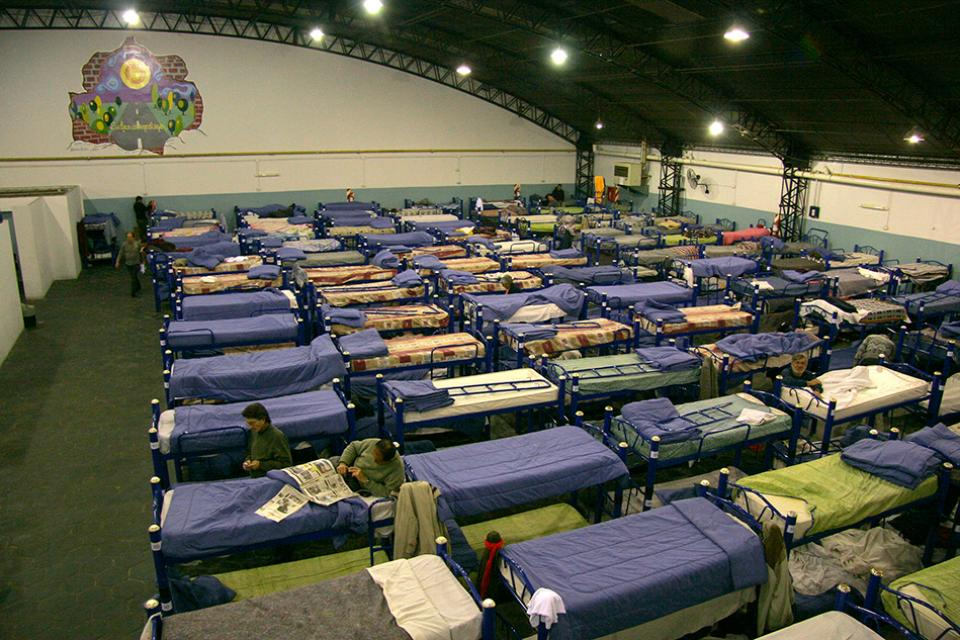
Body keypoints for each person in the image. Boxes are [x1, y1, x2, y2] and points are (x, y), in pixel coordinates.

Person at [334, 438, 403, 497]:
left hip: (359, 484)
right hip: (349, 464)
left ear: (387, 462)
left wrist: (366, 480)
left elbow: (387, 492)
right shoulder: (373, 443)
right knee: (332, 461)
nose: (374, 458)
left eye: (377, 461)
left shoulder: (397, 469)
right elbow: (353, 447)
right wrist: (343, 463)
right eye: (374, 453)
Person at [241, 403, 292, 478]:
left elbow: (286, 464)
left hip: (270, 479)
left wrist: (261, 465)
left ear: (263, 419)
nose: (250, 427)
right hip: (255, 478)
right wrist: (248, 461)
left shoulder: (277, 436)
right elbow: (250, 452)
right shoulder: (254, 431)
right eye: (248, 424)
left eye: (252, 423)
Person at [115, 231, 143, 297]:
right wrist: (117, 261)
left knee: (133, 277)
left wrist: (142, 262)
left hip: (136, 263)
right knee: (133, 276)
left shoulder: (137, 244)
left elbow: (141, 252)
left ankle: (133, 292)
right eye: (127, 237)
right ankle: (138, 286)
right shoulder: (124, 245)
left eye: (130, 237)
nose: (129, 239)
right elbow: (120, 253)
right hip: (128, 264)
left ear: (133, 238)